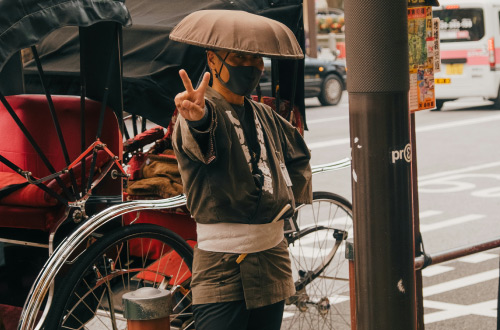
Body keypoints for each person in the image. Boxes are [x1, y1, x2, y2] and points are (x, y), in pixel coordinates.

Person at [171, 14, 312, 330]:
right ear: (213, 58)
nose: (250, 65)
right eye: (239, 57)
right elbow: (199, 137)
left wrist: (287, 198)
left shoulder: (264, 113)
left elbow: (299, 154)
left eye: (256, 58)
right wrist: (196, 120)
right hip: (223, 265)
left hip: (272, 259)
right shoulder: (202, 107)